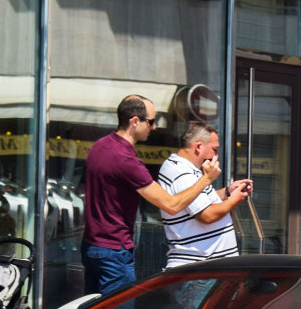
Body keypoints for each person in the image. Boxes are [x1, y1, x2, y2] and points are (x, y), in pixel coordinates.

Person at [81, 95, 223, 296]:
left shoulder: (100, 146)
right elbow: (171, 205)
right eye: (151, 121)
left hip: (92, 247)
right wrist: (205, 179)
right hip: (114, 251)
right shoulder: (126, 160)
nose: (154, 127)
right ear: (135, 121)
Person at [157, 122, 252, 268]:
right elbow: (207, 215)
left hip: (204, 267)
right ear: (198, 146)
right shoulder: (182, 172)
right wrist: (234, 200)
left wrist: (228, 192)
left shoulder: (187, 169)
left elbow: (203, 201)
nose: (216, 155)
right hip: (200, 268)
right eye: (214, 149)